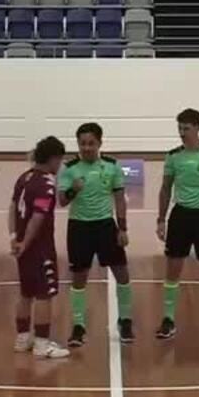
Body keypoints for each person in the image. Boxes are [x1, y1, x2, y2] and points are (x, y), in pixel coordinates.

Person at [58, 123, 134, 347]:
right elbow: (62, 201)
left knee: (122, 273)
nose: (87, 148)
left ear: (100, 143)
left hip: (105, 226)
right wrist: (74, 189)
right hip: (79, 227)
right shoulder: (70, 169)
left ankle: (126, 320)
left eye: (91, 143)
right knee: (79, 277)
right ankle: (78, 326)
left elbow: (119, 199)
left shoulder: (111, 166)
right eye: (82, 143)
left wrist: (122, 228)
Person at [155, 108, 199, 341]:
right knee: (173, 269)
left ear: (198, 127)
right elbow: (165, 189)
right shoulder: (173, 156)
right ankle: (168, 319)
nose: (182, 132)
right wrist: (160, 219)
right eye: (180, 128)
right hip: (180, 216)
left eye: (186, 128)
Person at [11, 136, 71, 359]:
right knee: (44, 294)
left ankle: (22, 338)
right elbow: (38, 217)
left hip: (21, 247)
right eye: (60, 161)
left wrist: (15, 238)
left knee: (26, 293)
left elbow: (11, 208)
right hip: (40, 248)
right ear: (54, 158)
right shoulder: (46, 184)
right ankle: (42, 344)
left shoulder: (23, 178)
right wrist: (27, 241)